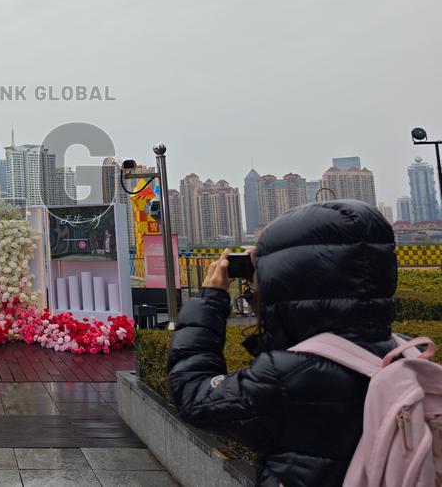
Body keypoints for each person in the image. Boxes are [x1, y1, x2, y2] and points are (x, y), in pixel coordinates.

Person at [167, 200, 398, 486]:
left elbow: (193, 396)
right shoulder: (405, 356)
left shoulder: (285, 377)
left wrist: (210, 300)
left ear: (288, 278)